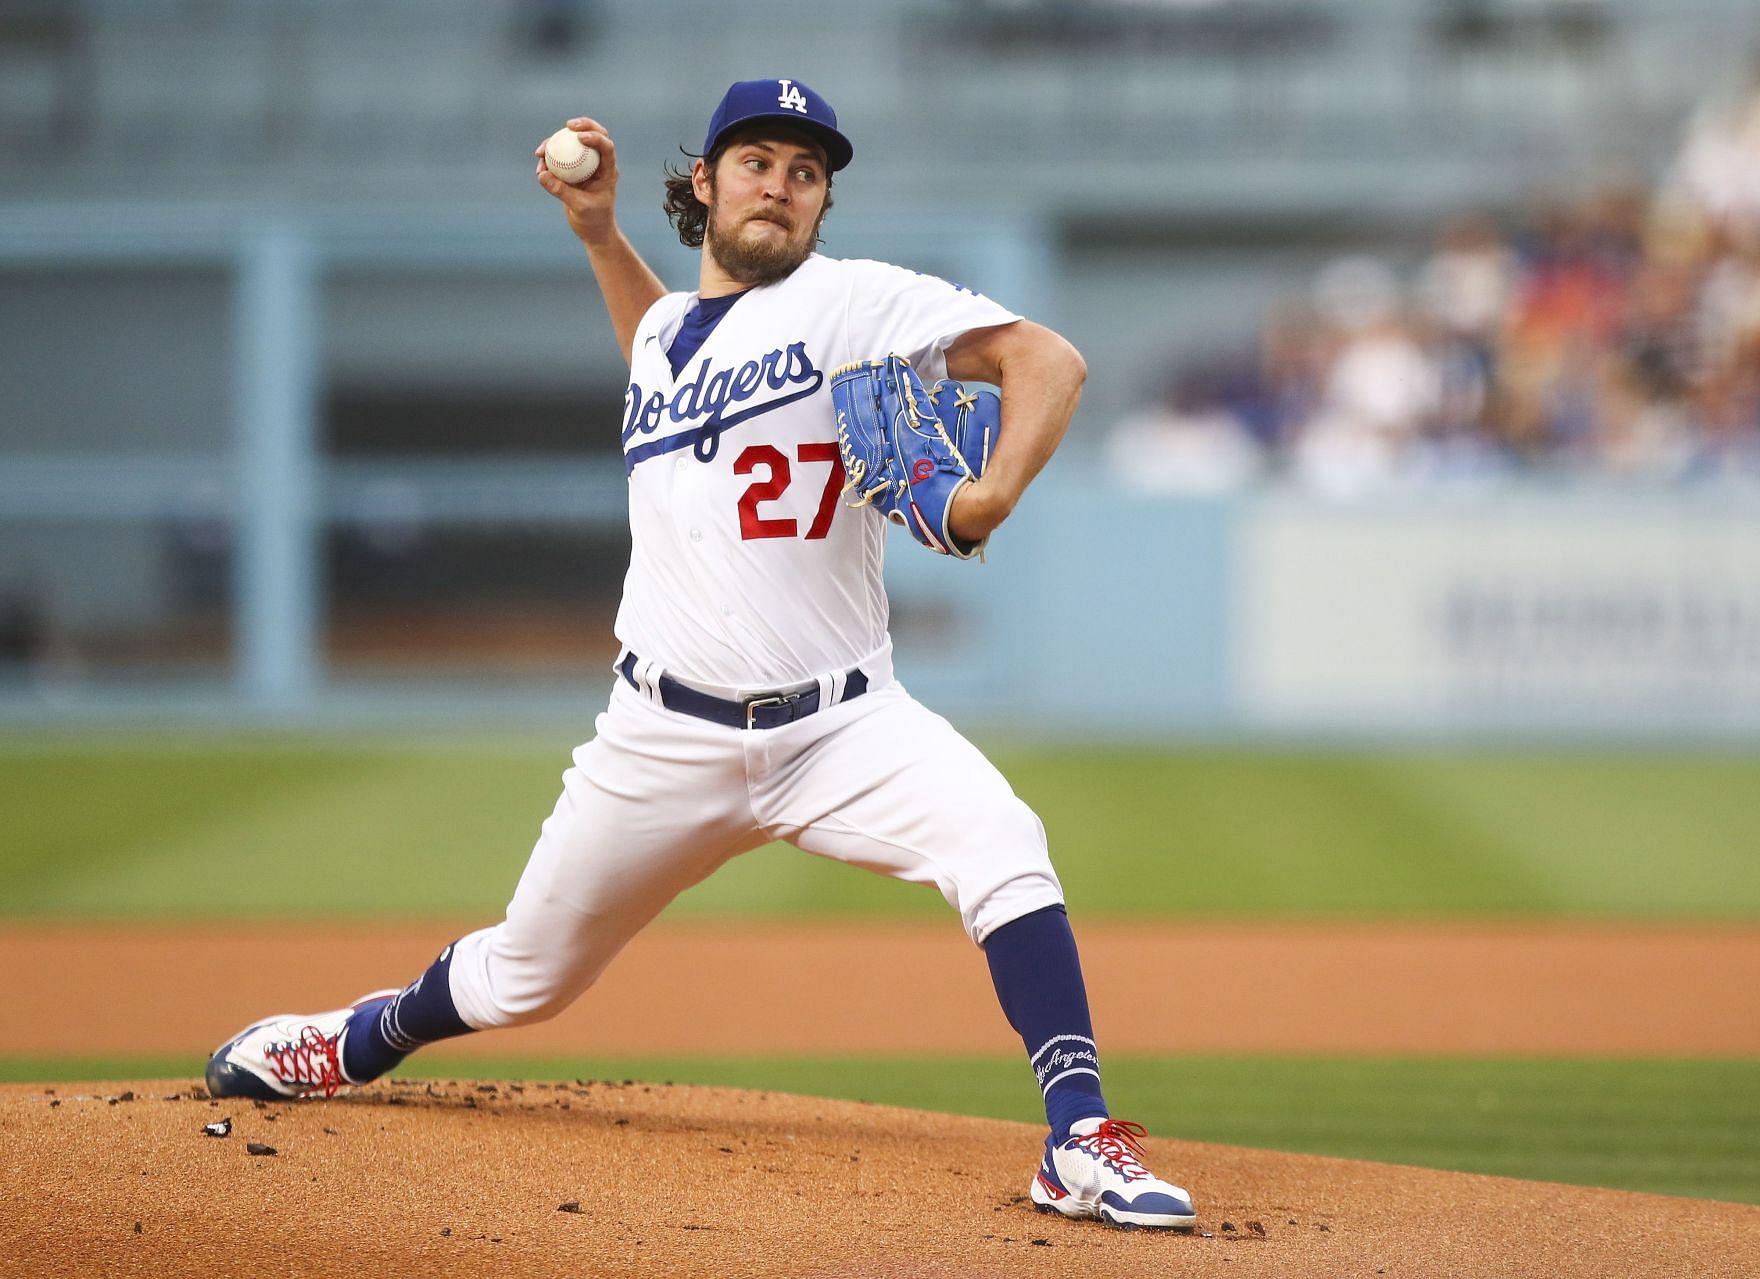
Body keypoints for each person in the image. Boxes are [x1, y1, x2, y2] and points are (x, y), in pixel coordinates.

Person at [203, 78, 1196, 1233]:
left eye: (807, 171)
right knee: (527, 975)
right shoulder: (673, 330)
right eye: (758, 160)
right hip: (661, 734)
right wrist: (598, 236)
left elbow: (1051, 362)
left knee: (1002, 841)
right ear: (706, 183)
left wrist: (983, 500)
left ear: (824, 206)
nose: (782, 184)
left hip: (843, 725)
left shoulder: (853, 301)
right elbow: (658, 358)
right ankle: (349, 1041)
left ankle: (1079, 1134)